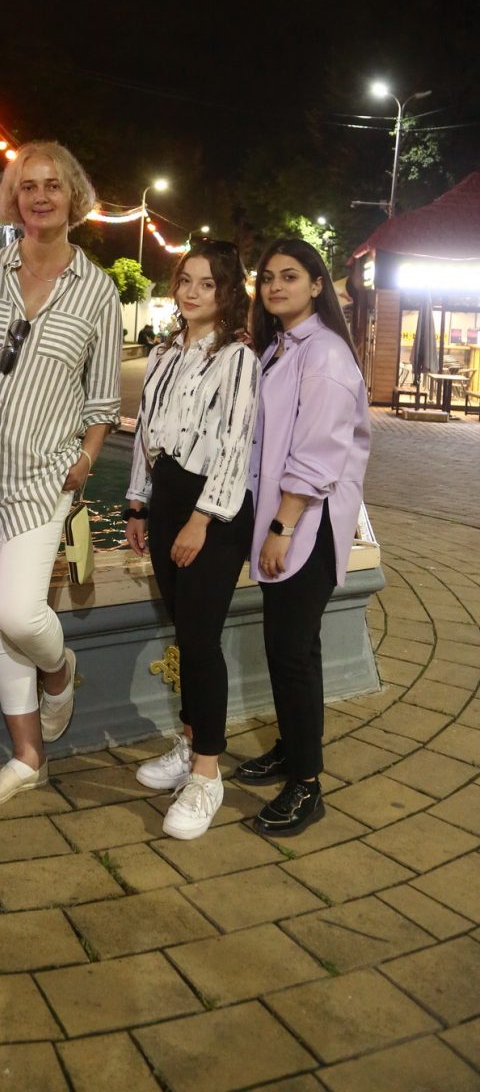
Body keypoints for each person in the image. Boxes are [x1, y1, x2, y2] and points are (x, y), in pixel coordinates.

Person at [0, 141, 121, 807]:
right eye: (27, 186)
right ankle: (27, 758)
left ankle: (59, 667)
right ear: (13, 198)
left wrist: (86, 459)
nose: (40, 196)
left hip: (43, 474)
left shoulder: (97, 289)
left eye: (52, 185)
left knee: (20, 615)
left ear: (74, 197)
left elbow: (102, 396)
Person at [234, 237, 370, 834]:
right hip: (286, 522)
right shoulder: (281, 348)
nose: (275, 286)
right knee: (291, 649)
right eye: (267, 277)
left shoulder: (326, 355)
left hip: (305, 525)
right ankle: (294, 749)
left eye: (289, 276)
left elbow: (317, 454)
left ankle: (307, 786)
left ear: (317, 285)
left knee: (291, 653)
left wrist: (282, 527)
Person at [123, 241, 260, 838]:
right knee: (186, 632)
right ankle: (189, 742)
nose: (193, 292)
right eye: (186, 281)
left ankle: (207, 772)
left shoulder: (238, 358)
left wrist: (201, 520)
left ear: (227, 293)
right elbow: (144, 434)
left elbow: (235, 444)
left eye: (208, 283)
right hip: (168, 499)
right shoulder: (162, 354)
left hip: (215, 510)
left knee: (201, 640)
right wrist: (137, 504)